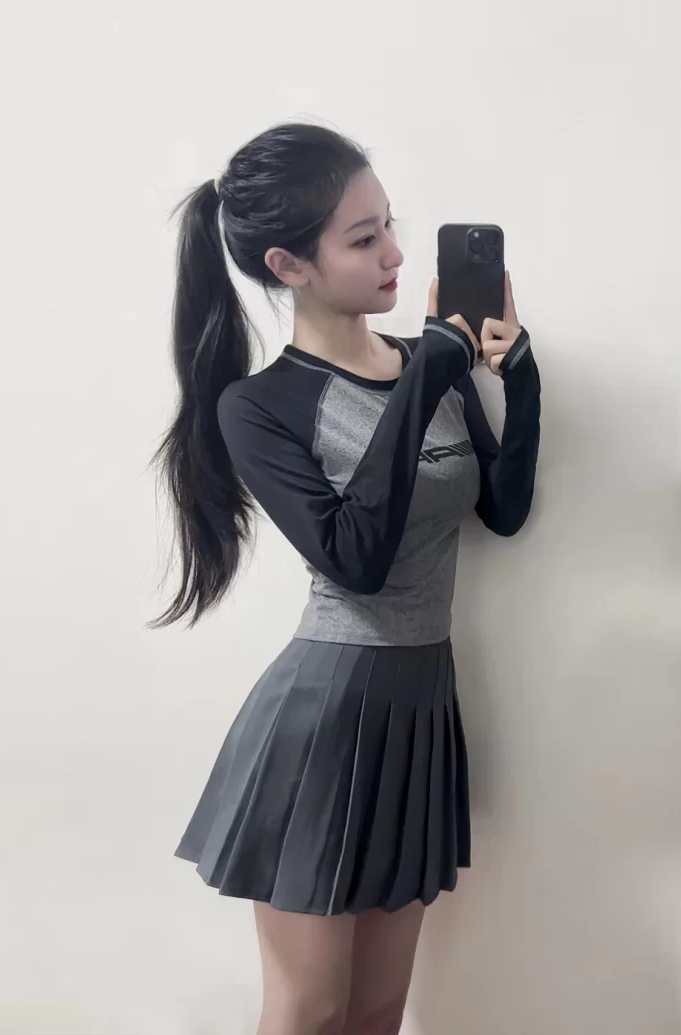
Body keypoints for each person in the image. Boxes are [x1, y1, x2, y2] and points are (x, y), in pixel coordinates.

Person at [154, 122, 541, 1035]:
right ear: (288, 265)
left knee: (376, 1011)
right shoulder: (259, 406)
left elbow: (503, 509)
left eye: (389, 225)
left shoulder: (427, 361)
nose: (396, 254)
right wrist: (427, 380)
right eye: (364, 239)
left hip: (420, 706)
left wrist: (518, 375)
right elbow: (355, 558)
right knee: (310, 1009)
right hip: (327, 715)